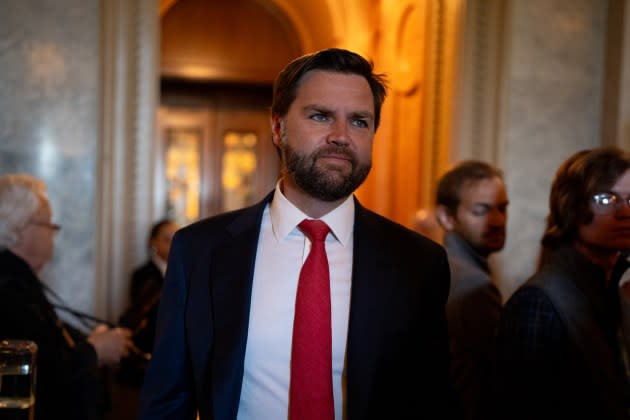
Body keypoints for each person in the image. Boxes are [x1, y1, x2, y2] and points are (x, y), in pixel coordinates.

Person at [139, 48, 459, 420]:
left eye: (359, 121)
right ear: (278, 127)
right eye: (321, 116)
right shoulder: (200, 251)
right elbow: (166, 401)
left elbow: (432, 404)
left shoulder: (418, 264)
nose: (341, 136)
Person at [483, 146, 630, 419]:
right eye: (606, 199)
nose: (623, 212)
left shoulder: (611, 290)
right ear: (571, 206)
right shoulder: (538, 302)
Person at [0, 173, 133, 420]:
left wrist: (92, 342)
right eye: (48, 223)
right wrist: (95, 349)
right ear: (21, 228)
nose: (54, 232)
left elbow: (47, 347)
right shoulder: (7, 287)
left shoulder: (17, 278)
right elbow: (36, 374)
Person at [434, 160, 508, 420]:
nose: (498, 221)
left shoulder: (439, 265)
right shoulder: (475, 285)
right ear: (446, 217)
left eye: (502, 208)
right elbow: (497, 383)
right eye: (481, 211)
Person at [117, 218, 179, 386]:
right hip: (149, 353)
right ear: (153, 242)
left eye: (176, 239)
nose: (173, 244)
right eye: (167, 239)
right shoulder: (143, 275)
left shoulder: (181, 273)